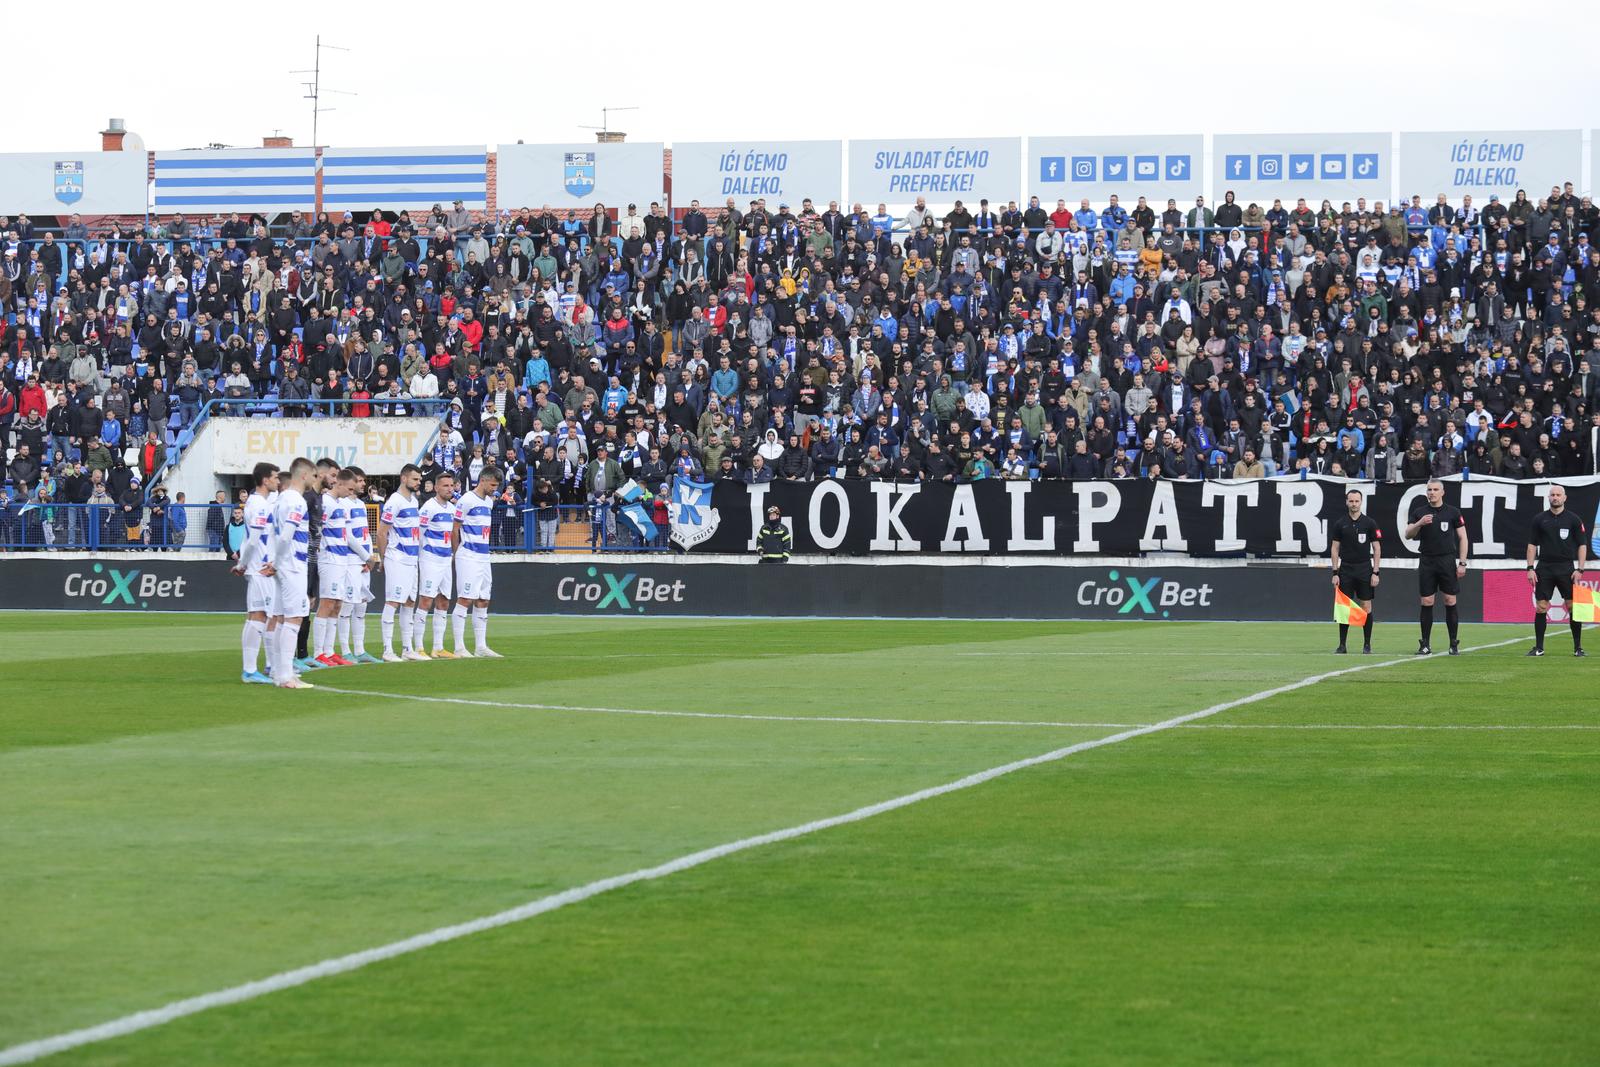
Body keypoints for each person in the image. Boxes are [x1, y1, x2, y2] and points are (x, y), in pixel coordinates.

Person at [1404, 479, 1468, 656]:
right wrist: (1419, 524)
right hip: (1427, 561)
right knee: (1426, 601)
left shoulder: (1453, 512)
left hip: (1447, 560)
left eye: (1435, 489)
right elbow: (1408, 534)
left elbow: (1463, 537)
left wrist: (1462, 563)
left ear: (1442, 492)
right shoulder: (1419, 512)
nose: (1431, 492)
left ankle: (1453, 643)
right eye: (1429, 490)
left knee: (1450, 601)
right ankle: (1425, 644)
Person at [1524, 484, 1589, 657]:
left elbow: (1582, 545)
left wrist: (1580, 569)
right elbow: (1531, 545)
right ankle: (1539, 647)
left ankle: (1578, 648)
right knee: (1541, 607)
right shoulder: (1539, 519)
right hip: (1544, 567)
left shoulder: (1574, 520)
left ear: (1564, 498)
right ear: (1548, 498)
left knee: (1572, 606)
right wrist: (1530, 568)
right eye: (1552, 495)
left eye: (1558, 494)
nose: (1555, 497)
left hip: (1566, 568)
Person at [269, 458, 316, 690]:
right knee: (294, 618)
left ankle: (279, 672)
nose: (315, 481)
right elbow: (287, 535)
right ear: (305, 475)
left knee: (280, 618)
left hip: (283, 565)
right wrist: (276, 562)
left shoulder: (280, 499)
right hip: (292, 565)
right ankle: (286, 675)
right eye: (314, 476)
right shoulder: (297, 501)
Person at [231, 462, 279, 684]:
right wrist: (243, 564)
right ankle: (252, 669)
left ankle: (259, 667)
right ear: (265, 480)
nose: (278, 481)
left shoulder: (255, 502)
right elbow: (253, 539)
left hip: (258, 566)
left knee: (258, 615)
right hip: (261, 568)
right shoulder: (259, 504)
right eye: (275, 477)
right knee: (260, 616)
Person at [375, 463, 427, 662]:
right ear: (404, 478)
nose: (418, 482)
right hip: (397, 557)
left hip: (411, 559)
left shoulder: (413, 501)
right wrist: (384, 558)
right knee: (393, 601)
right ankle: (388, 650)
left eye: (419, 479)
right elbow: (381, 533)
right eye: (415, 479)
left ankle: (407, 648)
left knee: (409, 602)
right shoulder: (394, 501)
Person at [451, 467, 502, 658]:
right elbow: (455, 528)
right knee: (465, 598)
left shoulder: (488, 502)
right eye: (493, 485)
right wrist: (457, 553)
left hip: (483, 556)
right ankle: (459, 647)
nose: (494, 489)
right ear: (483, 480)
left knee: (483, 599)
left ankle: (481, 646)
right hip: (468, 555)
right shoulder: (466, 500)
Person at [294, 458, 338, 671]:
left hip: (313, 560)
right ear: (320, 474)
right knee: (299, 608)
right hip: (302, 560)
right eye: (333, 475)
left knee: (308, 605)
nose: (335, 480)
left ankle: (303, 653)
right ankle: (296, 655)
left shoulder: (318, 498)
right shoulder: (308, 498)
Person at [312, 469, 358, 667]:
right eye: (349, 488)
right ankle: (317, 652)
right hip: (329, 559)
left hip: (342, 559)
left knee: (337, 604)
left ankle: (329, 651)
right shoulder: (326, 503)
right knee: (327, 604)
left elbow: (346, 534)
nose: (350, 492)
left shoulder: (340, 505)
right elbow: (316, 530)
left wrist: (364, 556)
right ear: (338, 484)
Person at [1328, 488, 1381, 654]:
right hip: (1346, 569)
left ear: (1361, 502)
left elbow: (1377, 548)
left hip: (1365, 568)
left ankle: (1367, 644)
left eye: (1356, 501)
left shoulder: (1370, 523)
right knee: (1344, 608)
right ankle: (1342, 645)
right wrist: (1335, 573)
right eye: (1351, 501)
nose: (1354, 504)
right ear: (1346, 502)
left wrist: (1375, 572)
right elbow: (1335, 548)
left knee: (1366, 605)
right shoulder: (1340, 523)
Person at [339, 467, 380, 664]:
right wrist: (366, 556)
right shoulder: (343, 504)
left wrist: (369, 556)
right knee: (347, 606)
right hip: (351, 560)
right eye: (361, 481)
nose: (364, 484)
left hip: (364, 561)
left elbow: (364, 533)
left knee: (361, 607)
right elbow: (347, 536)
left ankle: (360, 650)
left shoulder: (362, 505)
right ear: (351, 482)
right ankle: (345, 651)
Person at [418, 470, 459, 657]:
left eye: (451, 485)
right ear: (436, 487)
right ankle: (418, 647)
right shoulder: (428, 507)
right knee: (426, 600)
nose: (450, 489)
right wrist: (420, 556)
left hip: (445, 560)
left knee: (443, 601)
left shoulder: (451, 509)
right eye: (445, 485)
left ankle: (438, 647)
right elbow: (419, 534)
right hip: (430, 559)